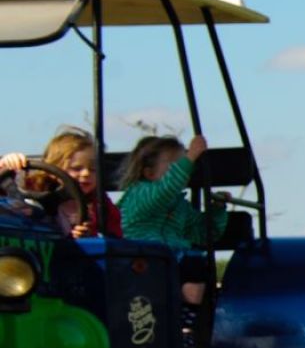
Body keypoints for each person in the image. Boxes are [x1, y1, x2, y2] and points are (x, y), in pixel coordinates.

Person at [115, 133, 216, 305]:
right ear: (149, 173)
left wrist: (217, 210)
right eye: (174, 165)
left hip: (174, 260)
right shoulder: (139, 194)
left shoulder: (180, 205)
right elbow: (166, 189)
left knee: (195, 260)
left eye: (183, 163)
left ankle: (188, 314)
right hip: (142, 257)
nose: (185, 168)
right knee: (162, 266)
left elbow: (203, 234)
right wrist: (190, 157)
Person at [0, 129, 123, 238]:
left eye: (93, 169)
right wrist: (8, 164)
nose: (86, 173)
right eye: (76, 168)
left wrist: (84, 237)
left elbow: (114, 242)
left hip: (73, 258)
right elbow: (7, 199)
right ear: (54, 169)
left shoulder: (101, 205)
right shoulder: (33, 188)